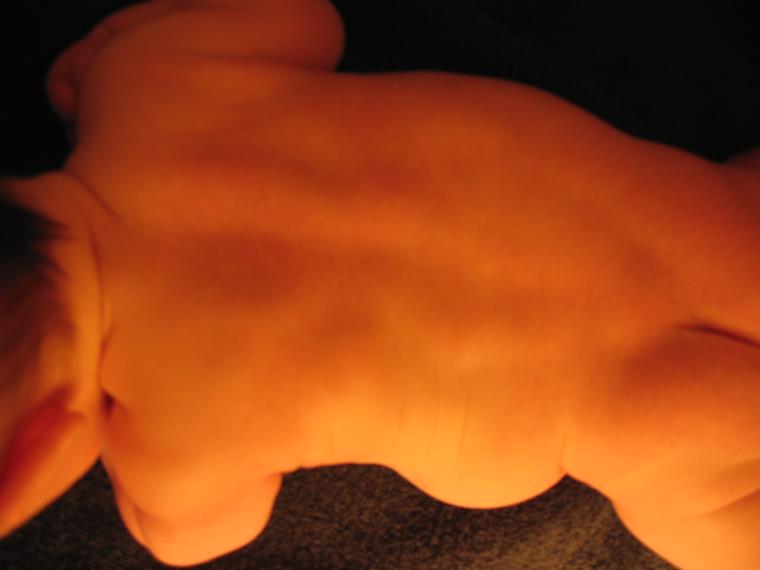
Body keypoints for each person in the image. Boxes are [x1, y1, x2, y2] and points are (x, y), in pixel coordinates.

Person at [0, 0, 758, 567]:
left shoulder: (169, 441)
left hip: (661, 419)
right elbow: (305, 17)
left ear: (36, 452)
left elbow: (194, 538)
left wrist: (142, 501)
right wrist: (112, 49)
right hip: (708, 215)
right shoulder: (149, 80)